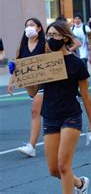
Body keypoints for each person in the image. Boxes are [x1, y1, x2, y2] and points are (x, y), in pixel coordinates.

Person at [9, 20, 91, 193]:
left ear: (65, 38)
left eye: (54, 35)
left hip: (71, 115)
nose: (50, 39)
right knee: (54, 169)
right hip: (50, 116)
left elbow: (86, 96)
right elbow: (33, 92)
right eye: (48, 35)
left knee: (64, 165)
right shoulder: (44, 63)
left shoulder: (77, 64)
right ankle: (80, 184)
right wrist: (20, 75)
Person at [7, 18, 47, 158]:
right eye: (27, 26)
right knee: (46, 112)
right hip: (30, 86)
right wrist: (11, 82)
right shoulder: (22, 45)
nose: (29, 28)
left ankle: (31, 146)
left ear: (39, 28)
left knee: (35, 112)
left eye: (32, 25)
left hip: (45, 84)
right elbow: (17, 65)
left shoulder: (45, 44)